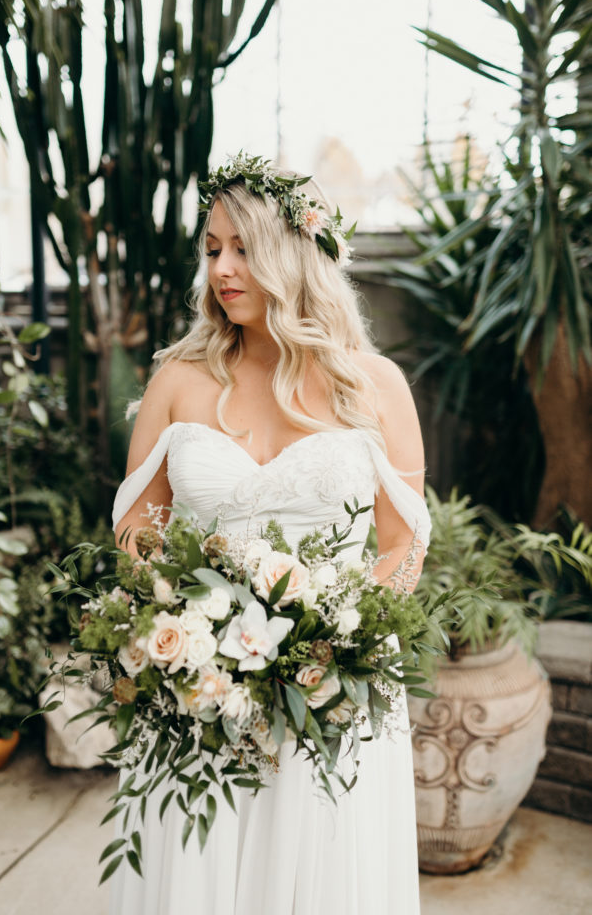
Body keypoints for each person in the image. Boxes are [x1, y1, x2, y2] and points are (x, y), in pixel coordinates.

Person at [110, 152, 430, 915]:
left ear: (293, 254)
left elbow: (402, 543)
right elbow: (134, 527)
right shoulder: (177, 379)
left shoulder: (374, 385)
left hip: (332, 698)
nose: (221, 268)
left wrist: (331, 647)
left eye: (243, 249)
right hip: (198, 691)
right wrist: (184, 626)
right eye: (211, 248)